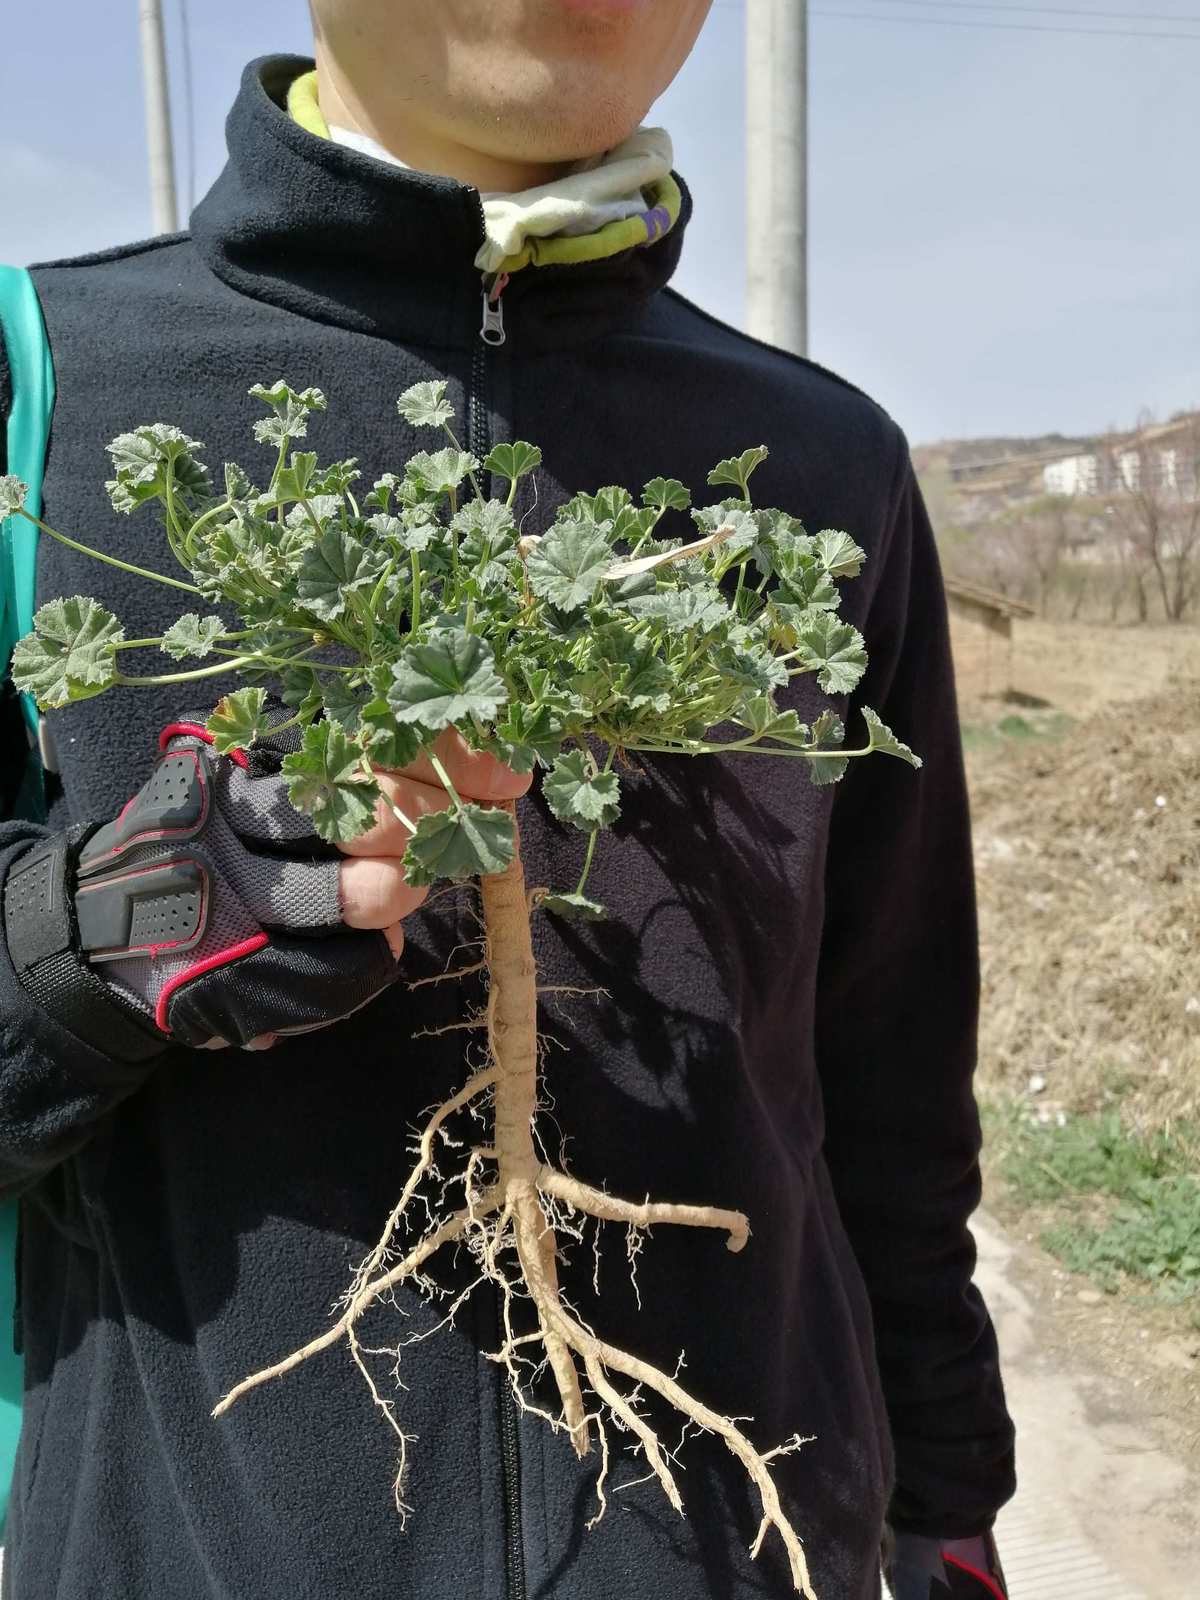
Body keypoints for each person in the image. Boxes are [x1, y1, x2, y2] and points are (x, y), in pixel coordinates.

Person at [0, 3, 1015, 1596]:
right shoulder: (36, 395)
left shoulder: (827, 464)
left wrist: (946, 1502)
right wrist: (89, 941)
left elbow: (888, 1087)